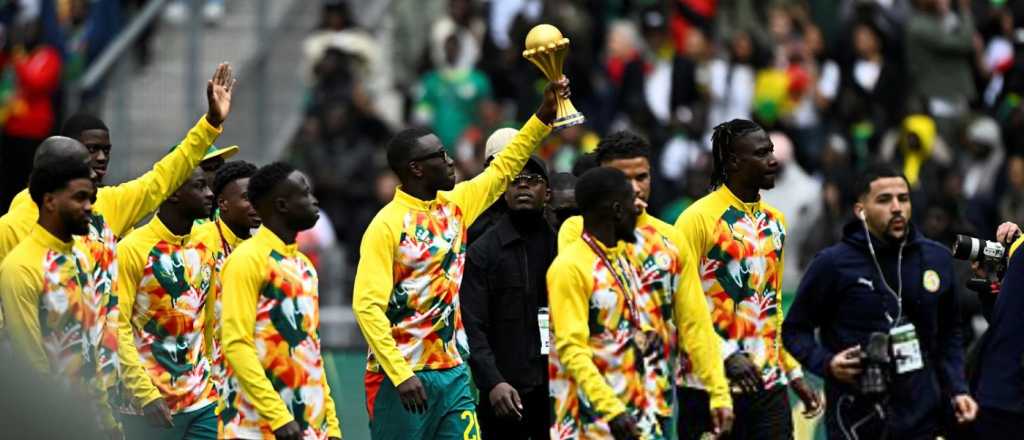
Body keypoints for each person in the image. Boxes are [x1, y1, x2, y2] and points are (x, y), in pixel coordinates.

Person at [352, 77, 565, 440]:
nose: (451, 161)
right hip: (402, 376)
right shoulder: (385, 226)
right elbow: (366, 307)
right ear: (416, 168)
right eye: (440, 156)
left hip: (452, 373)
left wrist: (543, 116)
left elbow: (502, 170)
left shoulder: (455, 206)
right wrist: (401, 374)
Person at [556, 131, 734, 439]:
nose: (635, 188)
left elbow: (695, 324)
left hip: (655, 406)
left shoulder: (671, 240)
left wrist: (719, 393)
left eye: (643, 177)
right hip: (592, 412)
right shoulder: (576, 232)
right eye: (623, 179)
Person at [783, 165, 976, 439]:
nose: (897, 208)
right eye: (884, 200)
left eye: (903, 198)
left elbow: (949, 336)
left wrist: (958, 389)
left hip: (921, 418)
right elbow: (794, 330)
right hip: (856, 419)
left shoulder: (937, 259)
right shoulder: (833, 264)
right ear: (861, 210)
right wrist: (826, 363)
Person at [673, 119, 821, 440]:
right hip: (706, 387)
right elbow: (679, 305)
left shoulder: (775, 222)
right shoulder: (696, 219)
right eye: (762, 153)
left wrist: (793, 372)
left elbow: (771, 308)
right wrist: (726, 354)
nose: (773, 160)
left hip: (768, 386)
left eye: (771, 151)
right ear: (735, 162)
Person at [0, 141, 119, 438]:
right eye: (80, 198)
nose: (89, 207)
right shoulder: (20, 267)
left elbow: (91, 346)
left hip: (91, 419)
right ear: (50, 201)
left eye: (90, 198)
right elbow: (32, 363)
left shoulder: (80, 254)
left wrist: (106, 421)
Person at [218, 162, 342, 440]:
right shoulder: (246, 260)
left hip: (308, 427)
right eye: (305, 194)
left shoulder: (304, 265)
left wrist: (330, 424)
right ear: (282, 205)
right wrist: (278, 416)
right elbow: (236, 343)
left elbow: (311, 348)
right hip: (256, 427)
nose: (315, 201)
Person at [114, 167, 218, 439]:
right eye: (199, 187)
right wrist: (145, 394)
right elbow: (116, 326)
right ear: (172, 193)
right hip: (149, 407)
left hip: (203, 401)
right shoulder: (132, 249)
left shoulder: (205, 245)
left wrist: (213, 375)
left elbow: (205, 318)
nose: (210, 194)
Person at [460, 155, 555, 439]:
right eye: (515, 180)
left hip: (554, 389)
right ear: (504, 191)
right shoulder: (482, 251)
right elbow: (472, 327)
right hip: (503, 395)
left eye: (533, 181)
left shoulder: (563, 247)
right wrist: (493, 383)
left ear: (547, 194)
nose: (523, 186)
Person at [189, 160, 260, 399]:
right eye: (248, 198)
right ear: (223, 204)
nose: (257, 206)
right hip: (203, 381)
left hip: (248, 378)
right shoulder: (197, 242)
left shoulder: (262, 251)